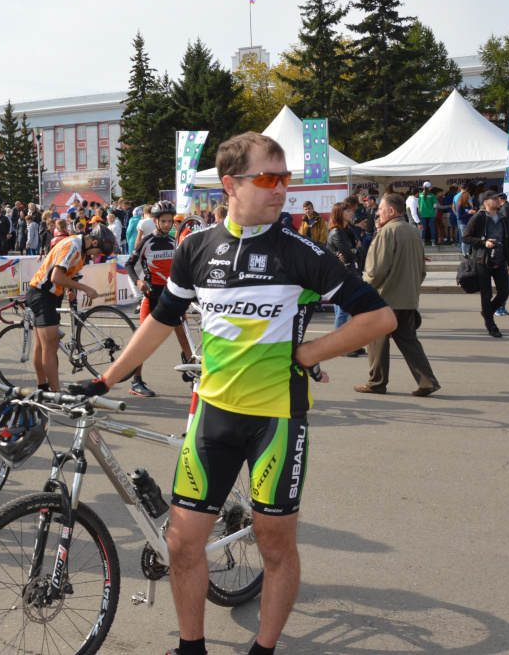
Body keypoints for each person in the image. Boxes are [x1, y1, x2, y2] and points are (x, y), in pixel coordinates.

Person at [78, 132, 394, 655]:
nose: (282, 190)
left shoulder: (299, 252)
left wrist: (310, 353)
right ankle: (191, 647)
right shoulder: (197, 247)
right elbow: (161, 321)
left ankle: (264, 650)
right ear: (230, 185)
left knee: (274, 546)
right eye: (269, 179)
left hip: (277, 420)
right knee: (181, 545)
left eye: (285, 178)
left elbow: (379, 317)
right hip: (213, 416)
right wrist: (106, 378)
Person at [354, 193, 440, 396]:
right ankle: (427, 381)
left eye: (381, 210)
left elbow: (377, 270)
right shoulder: (412, 231)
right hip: (408, 298)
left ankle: (377, 382)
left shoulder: (387, 232)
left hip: (385, 299)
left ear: (391, 211)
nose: (378, 214)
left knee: (376, 341)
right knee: (409, 341)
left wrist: (363, 290)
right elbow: (422, 270)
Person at [27, 225, 114, 392]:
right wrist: (84, 288)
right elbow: (56, 276)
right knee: (50, 347)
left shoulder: (80, 249)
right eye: (99, 251)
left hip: (48, 294)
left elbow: (66, 274)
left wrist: (71, 289)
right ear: (93, 241)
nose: (97, 256)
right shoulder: (73, 245)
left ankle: (42, 389)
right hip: (41, 294)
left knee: (41, 345)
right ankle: (55, 394)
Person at [124, 200, 193, 397]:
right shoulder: (146, 242)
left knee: (185, 340)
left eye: (170, 221)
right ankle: (136, 382)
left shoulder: (174, 242)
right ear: (155, 221)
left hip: (173, 297)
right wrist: (138, 281)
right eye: (163, 221)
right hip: (152, 297)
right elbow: (129, 264)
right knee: (143, 342)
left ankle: (193, 379)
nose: (166, 224)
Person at [462, 191, 509, 337]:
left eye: (498, 198)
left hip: (500, 260)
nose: (498, 201)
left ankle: (487, 312)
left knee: (504, 292)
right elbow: (465, 237)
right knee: (486, 294)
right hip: (482, 260)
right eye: (494, 199)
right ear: (486, 202)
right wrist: (484, 243)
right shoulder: (479, 217)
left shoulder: (502, 218)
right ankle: (491, 326)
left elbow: (507, 240)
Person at [326, 202, 367, 357]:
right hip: (339, 277)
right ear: (340, 214)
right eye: (348, 211)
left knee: (344, 311)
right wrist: (354, 251)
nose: (352, 213)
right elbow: (349, 255)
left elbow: (361, 249)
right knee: (343, 312)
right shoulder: (336, 233)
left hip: (349, 273)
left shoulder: (348, 230)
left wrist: (354, 250)